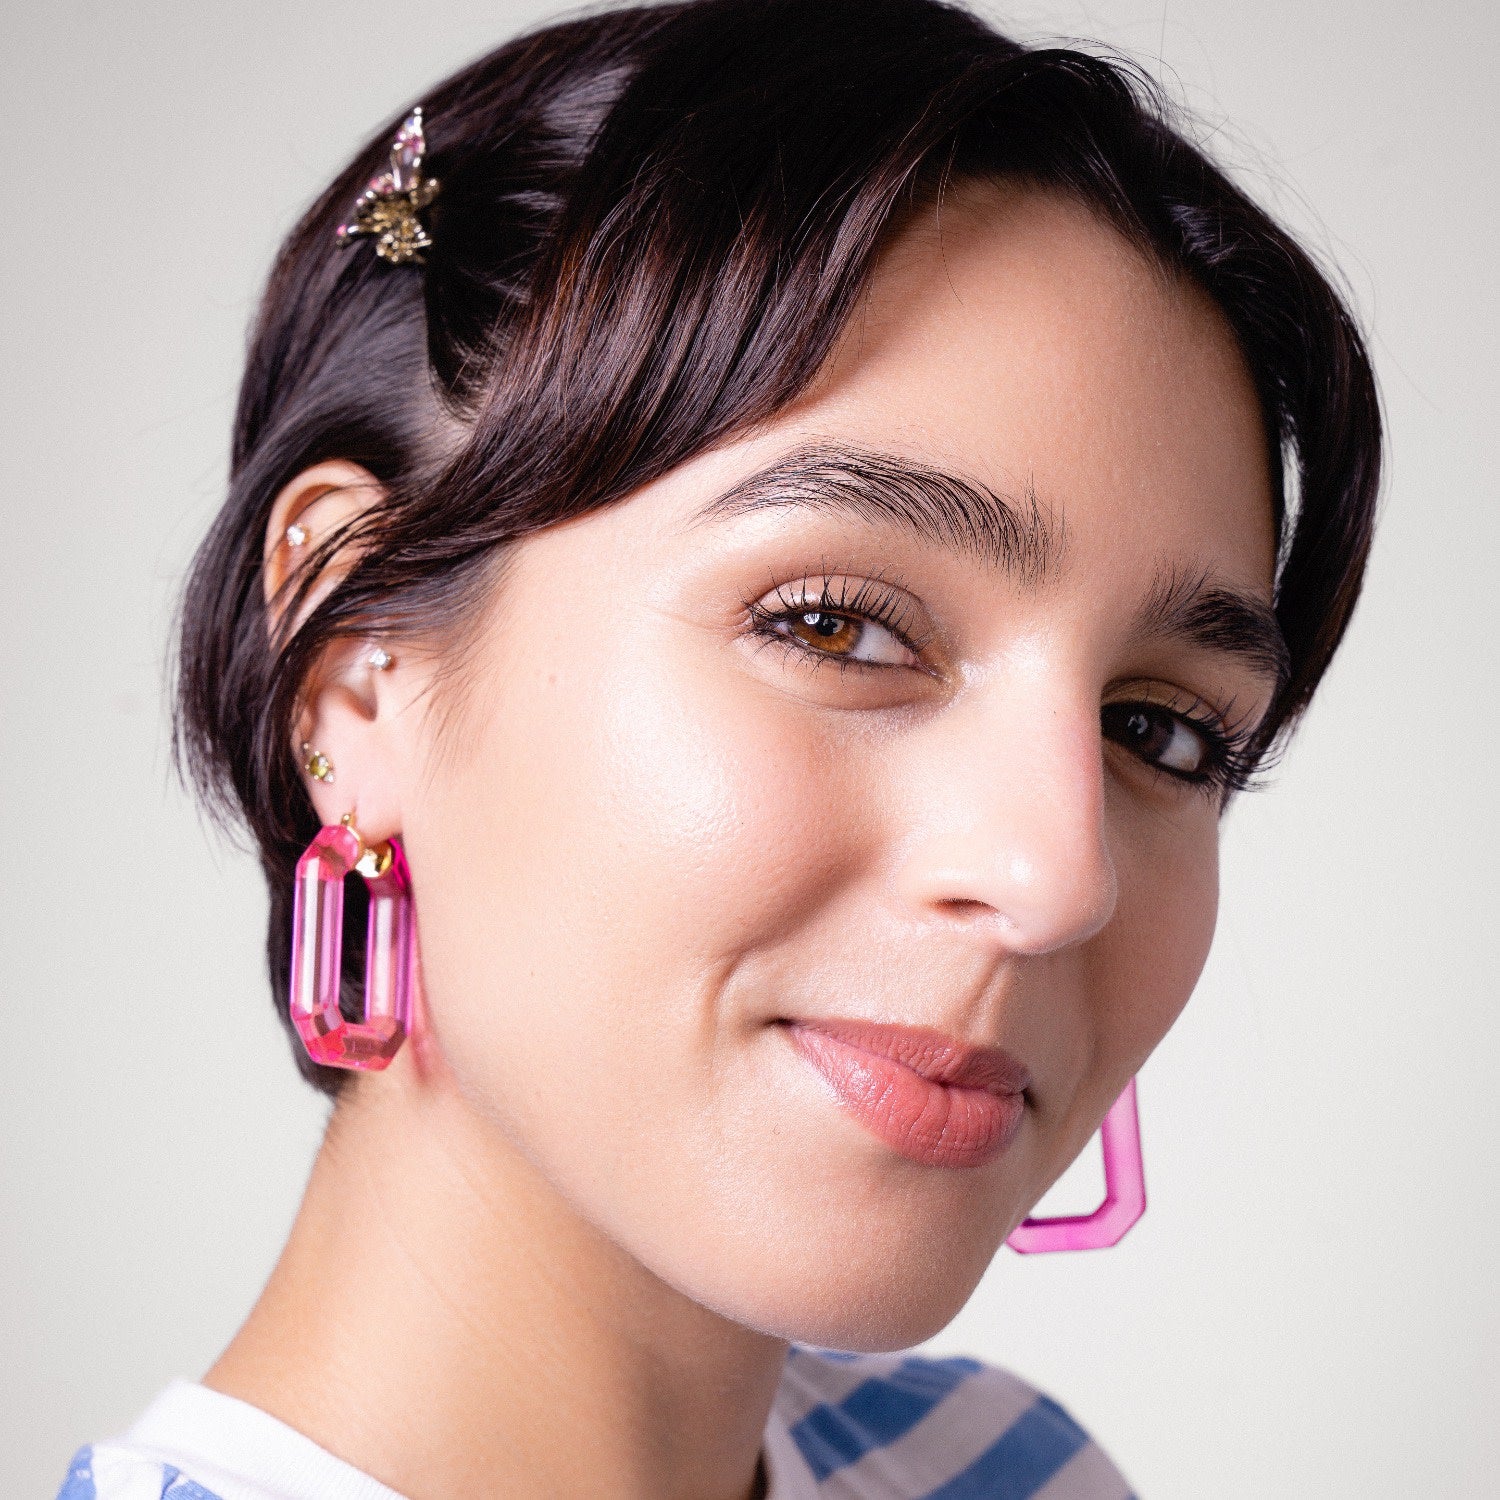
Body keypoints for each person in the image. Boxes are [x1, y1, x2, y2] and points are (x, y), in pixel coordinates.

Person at [54, 0, 1381, 1495]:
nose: (1059, 875)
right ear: (359, 662)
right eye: (838, 627)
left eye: (1160, 730)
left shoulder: (1013, 1472)